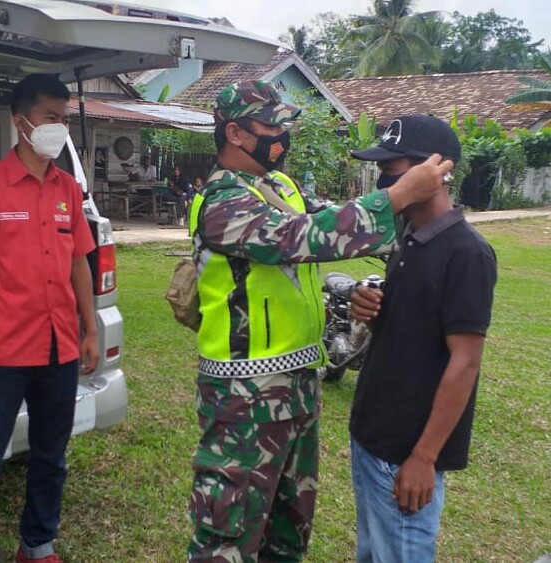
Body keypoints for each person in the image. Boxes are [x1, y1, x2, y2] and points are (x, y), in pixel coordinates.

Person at [186, 81, 454, 563]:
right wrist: (397, 195)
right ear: (236, 133)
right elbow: (303, 237)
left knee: (289, 530)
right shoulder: (221, 201)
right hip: (243, 397)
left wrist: (352, 291)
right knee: (228, 535)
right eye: (271, 125)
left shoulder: (279, 186)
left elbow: (336, 228)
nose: (282, 134)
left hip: (298, 384)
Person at [0, 73, 99, 563]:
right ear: (22, 122)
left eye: (64, 118)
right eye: (51, 118)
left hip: (60, 348)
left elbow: (80, 261)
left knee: (50, 459)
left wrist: (91, 329)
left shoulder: (68, 190)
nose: (59, 127)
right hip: (4, 352)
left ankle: (37, 545)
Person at [348, 116, 497, 562]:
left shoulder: (467, 253)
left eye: (394, 168)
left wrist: (424, 458)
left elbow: (465, 362)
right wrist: (369, 310)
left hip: (406, 453)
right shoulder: (408, 238)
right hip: (372, 436)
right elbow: (410, 335)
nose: (385, 179)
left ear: (439, 170)